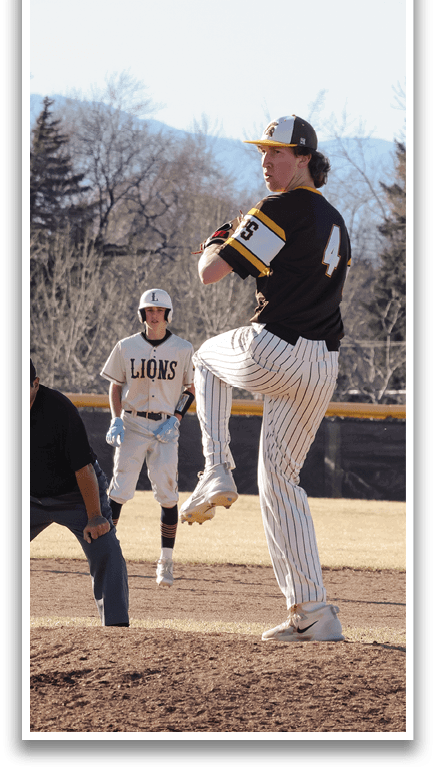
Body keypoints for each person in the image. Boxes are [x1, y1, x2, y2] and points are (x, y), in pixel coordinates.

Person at [179, 115, 351, 643]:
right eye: (262, 152)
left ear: (304, 158)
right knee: (280, 481)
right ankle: (313, 611)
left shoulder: (278, 207)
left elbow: (209, 273)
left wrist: (219, 238)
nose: (266, 161)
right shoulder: (335, 219)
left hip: (276, 348)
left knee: (204, 358)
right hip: (322, 364)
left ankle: (215, 468)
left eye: (277, 152)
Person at [100, 289, 195, 589]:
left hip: (165, 426)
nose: (154, 315)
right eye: (149, 311)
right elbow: (116, 385)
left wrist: (176, 418)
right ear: (142, 314)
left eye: (159, 310)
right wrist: (116, 419)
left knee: (168, 494)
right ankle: (106, 554)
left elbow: (190, 389)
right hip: (133, 423)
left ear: (168, 314)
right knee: (119, 490)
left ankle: (166, 560)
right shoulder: (126, 346)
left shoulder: (183, 348)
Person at [30, 358, 129, 626]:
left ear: (35, 384)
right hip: (30, 498)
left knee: (105, 547)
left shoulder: (58, 409)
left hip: (75, 495)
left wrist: (95, 516)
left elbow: (83, 467)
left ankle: (116, 629)